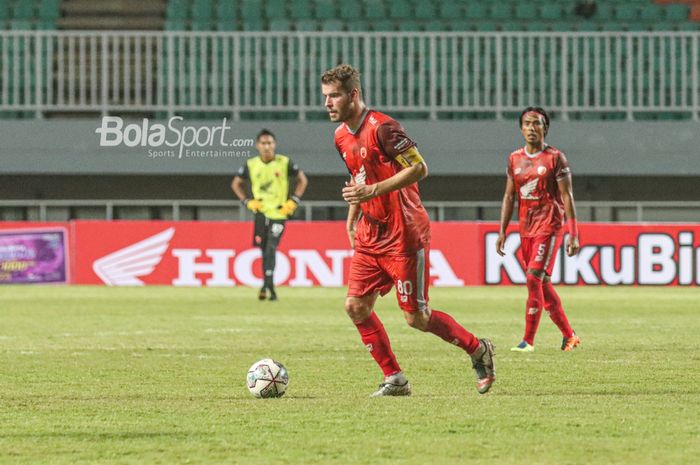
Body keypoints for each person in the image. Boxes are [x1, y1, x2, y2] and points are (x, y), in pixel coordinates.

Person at [321, 64, 495, 396]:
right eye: (326, 97)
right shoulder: (340, 135)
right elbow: (362, 178)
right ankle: (395, 379)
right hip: (372, 234)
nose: (328, 104)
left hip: (404, 234)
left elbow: (420, 168)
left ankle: (478, 349)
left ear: (353, 95)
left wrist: (372, 192)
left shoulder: (383, 128)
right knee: (355, 306)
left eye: (334, 96)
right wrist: (353, 214)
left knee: (417, 318)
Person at [496, 107, 582, 353]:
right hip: (526, 228)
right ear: (520, 128)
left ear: (545, 128)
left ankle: (528, 341)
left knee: (533, 277)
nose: (531, 128)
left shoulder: (555, 158)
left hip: (549, 225)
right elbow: (509, 196)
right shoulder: (514, 159)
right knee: (542, 283)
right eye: (527, 124)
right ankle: (569, 335)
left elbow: (567, 196)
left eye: (537, 124)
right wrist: (502, 230)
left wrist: (573, 233)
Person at [232, 129, 308, 301]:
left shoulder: (284, 162)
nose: (267, 147)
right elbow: (236, 184)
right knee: (263, 249)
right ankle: (269, 287)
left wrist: (294, 200)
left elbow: (302, 179)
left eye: (270, 143)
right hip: (260, 212)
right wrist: (247, 202)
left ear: (274, 144)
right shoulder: (251, 164)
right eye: (263, 143)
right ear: (258, 145)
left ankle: (267, 287)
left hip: (279, 212)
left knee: (271, 247)